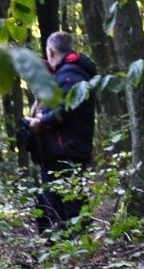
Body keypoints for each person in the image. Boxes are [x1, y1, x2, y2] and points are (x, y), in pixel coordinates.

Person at [27, 31, 96, 233]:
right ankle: (68, 253)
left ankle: (76, 255)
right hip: (63, 149)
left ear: (50, 51)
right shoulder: (72, 72)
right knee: (58, 206)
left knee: (69, 208)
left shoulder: (69, 74)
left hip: (65, 150)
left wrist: (41, 122)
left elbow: (66, 109)